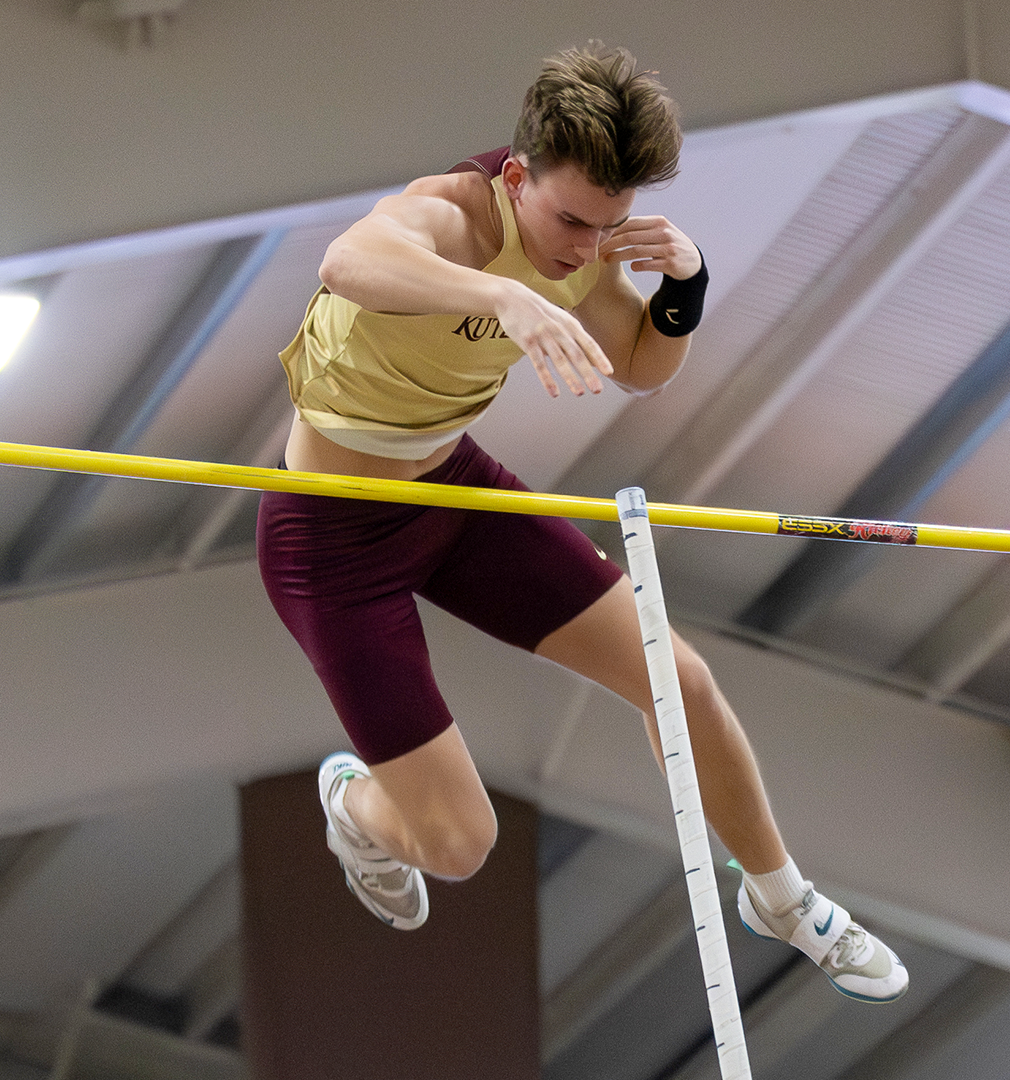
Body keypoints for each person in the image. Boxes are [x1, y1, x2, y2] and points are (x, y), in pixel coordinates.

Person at [258, 43, 907, 1004]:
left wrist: (684, 285)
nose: (580, 246)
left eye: (610, 225)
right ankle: (357, 807)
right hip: (332, 539)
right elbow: (347, 260)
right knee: (459, 845)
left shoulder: (585, 250)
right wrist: (504, 295)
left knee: (680, 682)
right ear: (516, 176)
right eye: (566, 219)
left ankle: (780, 896)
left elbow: (641, 367)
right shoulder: (446, 211)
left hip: (456, 496)